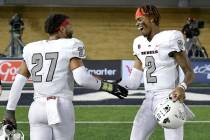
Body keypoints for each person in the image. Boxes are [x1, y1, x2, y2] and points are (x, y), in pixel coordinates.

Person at [3, 14, 128, 140]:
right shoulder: (71, 45)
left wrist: (10, 111)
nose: (71, 29)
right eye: (69, 26)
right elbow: (82, 78)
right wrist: (108, 87)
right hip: (60, 107)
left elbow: (18, 81)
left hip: (37, 108)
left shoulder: (32, 48)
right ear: (61, 29)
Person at [118, 5, 194, 140]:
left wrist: (181, 87)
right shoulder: (138, 43)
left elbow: (189, 72)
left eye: (140, 19)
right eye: (136, 20)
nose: (137, 23)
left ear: (152, 18)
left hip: (169, 98)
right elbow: (134, 82)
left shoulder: (171, 37)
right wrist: (114, 84)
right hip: (148, 100)